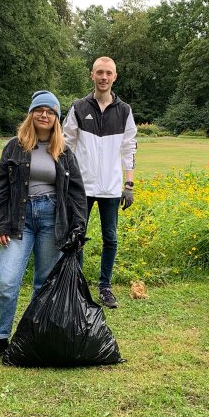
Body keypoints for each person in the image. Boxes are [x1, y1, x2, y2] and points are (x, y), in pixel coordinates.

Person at [0, 91, 87, 363]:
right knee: (7, 281)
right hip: (18, 220)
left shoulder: (64, 152)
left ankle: (33, 337)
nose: (44, 115)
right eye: (39, 110)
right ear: (31, 114)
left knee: (43, 284)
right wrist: (0, 222)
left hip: (53, 220)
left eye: (50, 111)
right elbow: (1, 188)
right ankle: (0, 338)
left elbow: (76, 194)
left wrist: (78, 228)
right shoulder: (14, 147)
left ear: (56, 117)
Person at [62, 56, 137, 309]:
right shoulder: (78, 107)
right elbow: (65, 145)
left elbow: (129, 148)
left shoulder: (124, 110)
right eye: (99, 72)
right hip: (82, 187)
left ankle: (105, 287)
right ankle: (78, 287)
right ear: (92, 75)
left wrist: (129, 185)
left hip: (111, 188)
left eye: (108, 73)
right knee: (78, 237)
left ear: (115, 77)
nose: (104, 77)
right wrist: (66, 181)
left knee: (111, 238)